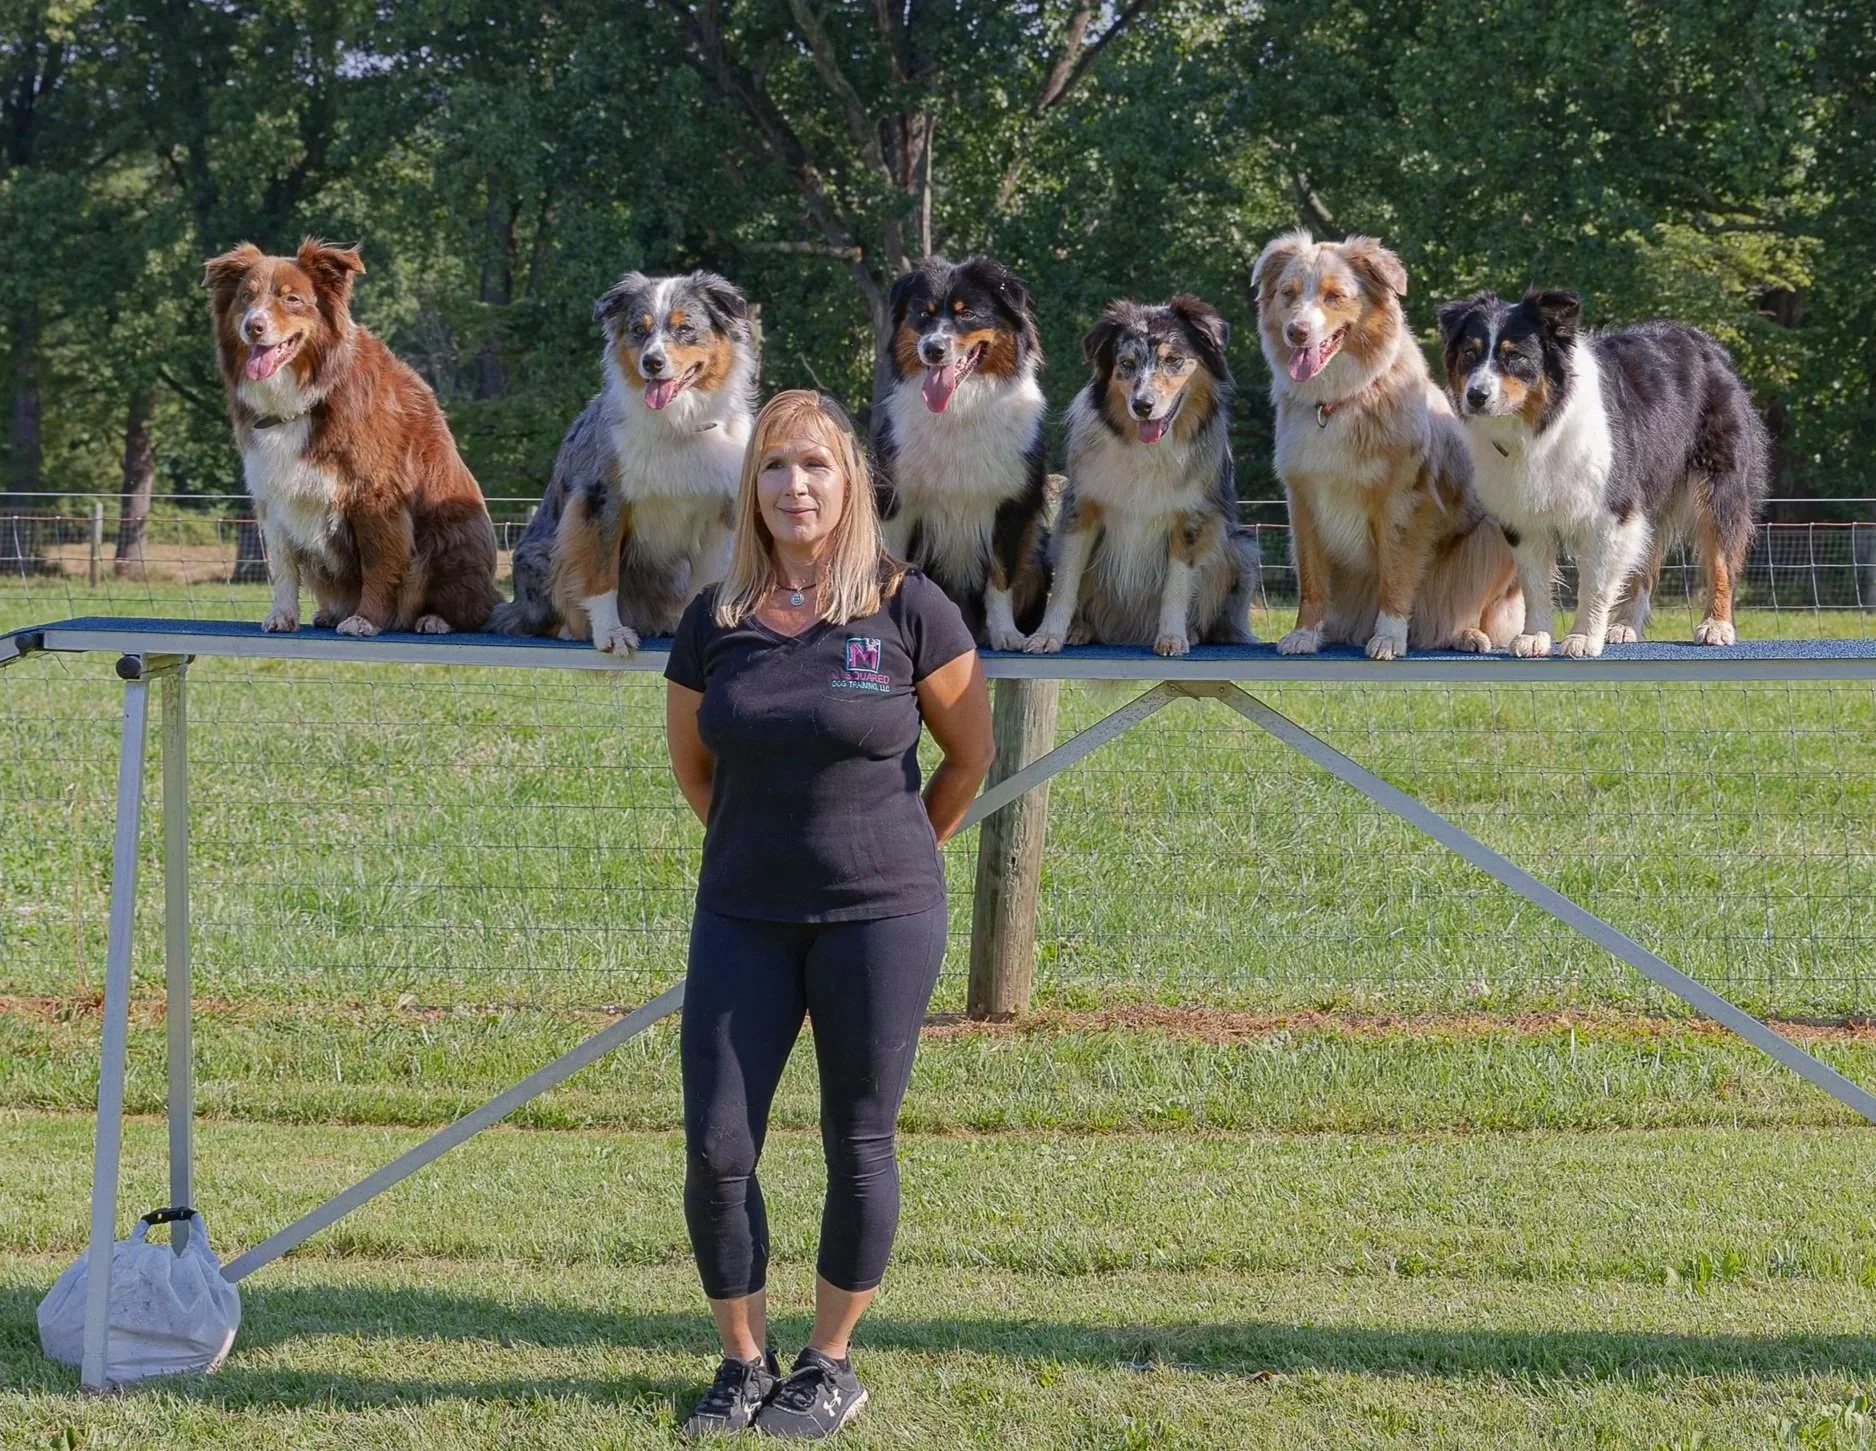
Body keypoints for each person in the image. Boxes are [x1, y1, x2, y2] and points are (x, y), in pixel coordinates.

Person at [664, 389, 995, 1438]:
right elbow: (695, 769)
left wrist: (894, 854)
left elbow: (970, 756)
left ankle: (829, 1360)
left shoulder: (909, 607)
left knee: (859, 1137)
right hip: (744, 914)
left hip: (880, 918)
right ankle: (742, 1361)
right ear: (749, 489)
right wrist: (769, 851)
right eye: (772, 466)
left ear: (849, 481)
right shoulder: (712, 619)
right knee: (719, 1145)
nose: (793, 486)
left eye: (813, 465)